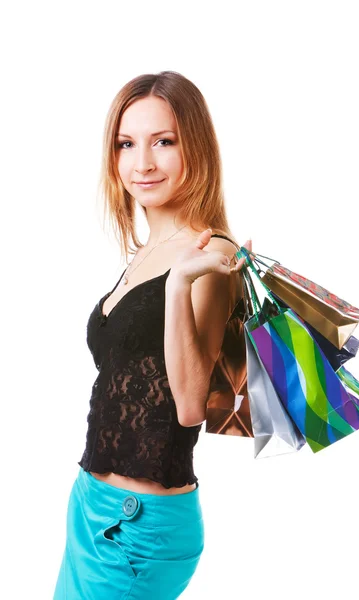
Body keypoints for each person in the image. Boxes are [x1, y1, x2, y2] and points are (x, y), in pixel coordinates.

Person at [53, 70, 253, 600]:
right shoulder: (143, 255)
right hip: (91, 503)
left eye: (163, 142)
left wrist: (180, 284)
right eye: (126, 144)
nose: (141, 162)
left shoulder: (214, 253)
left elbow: (189, 405)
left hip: (138, 527)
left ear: (197, 149)